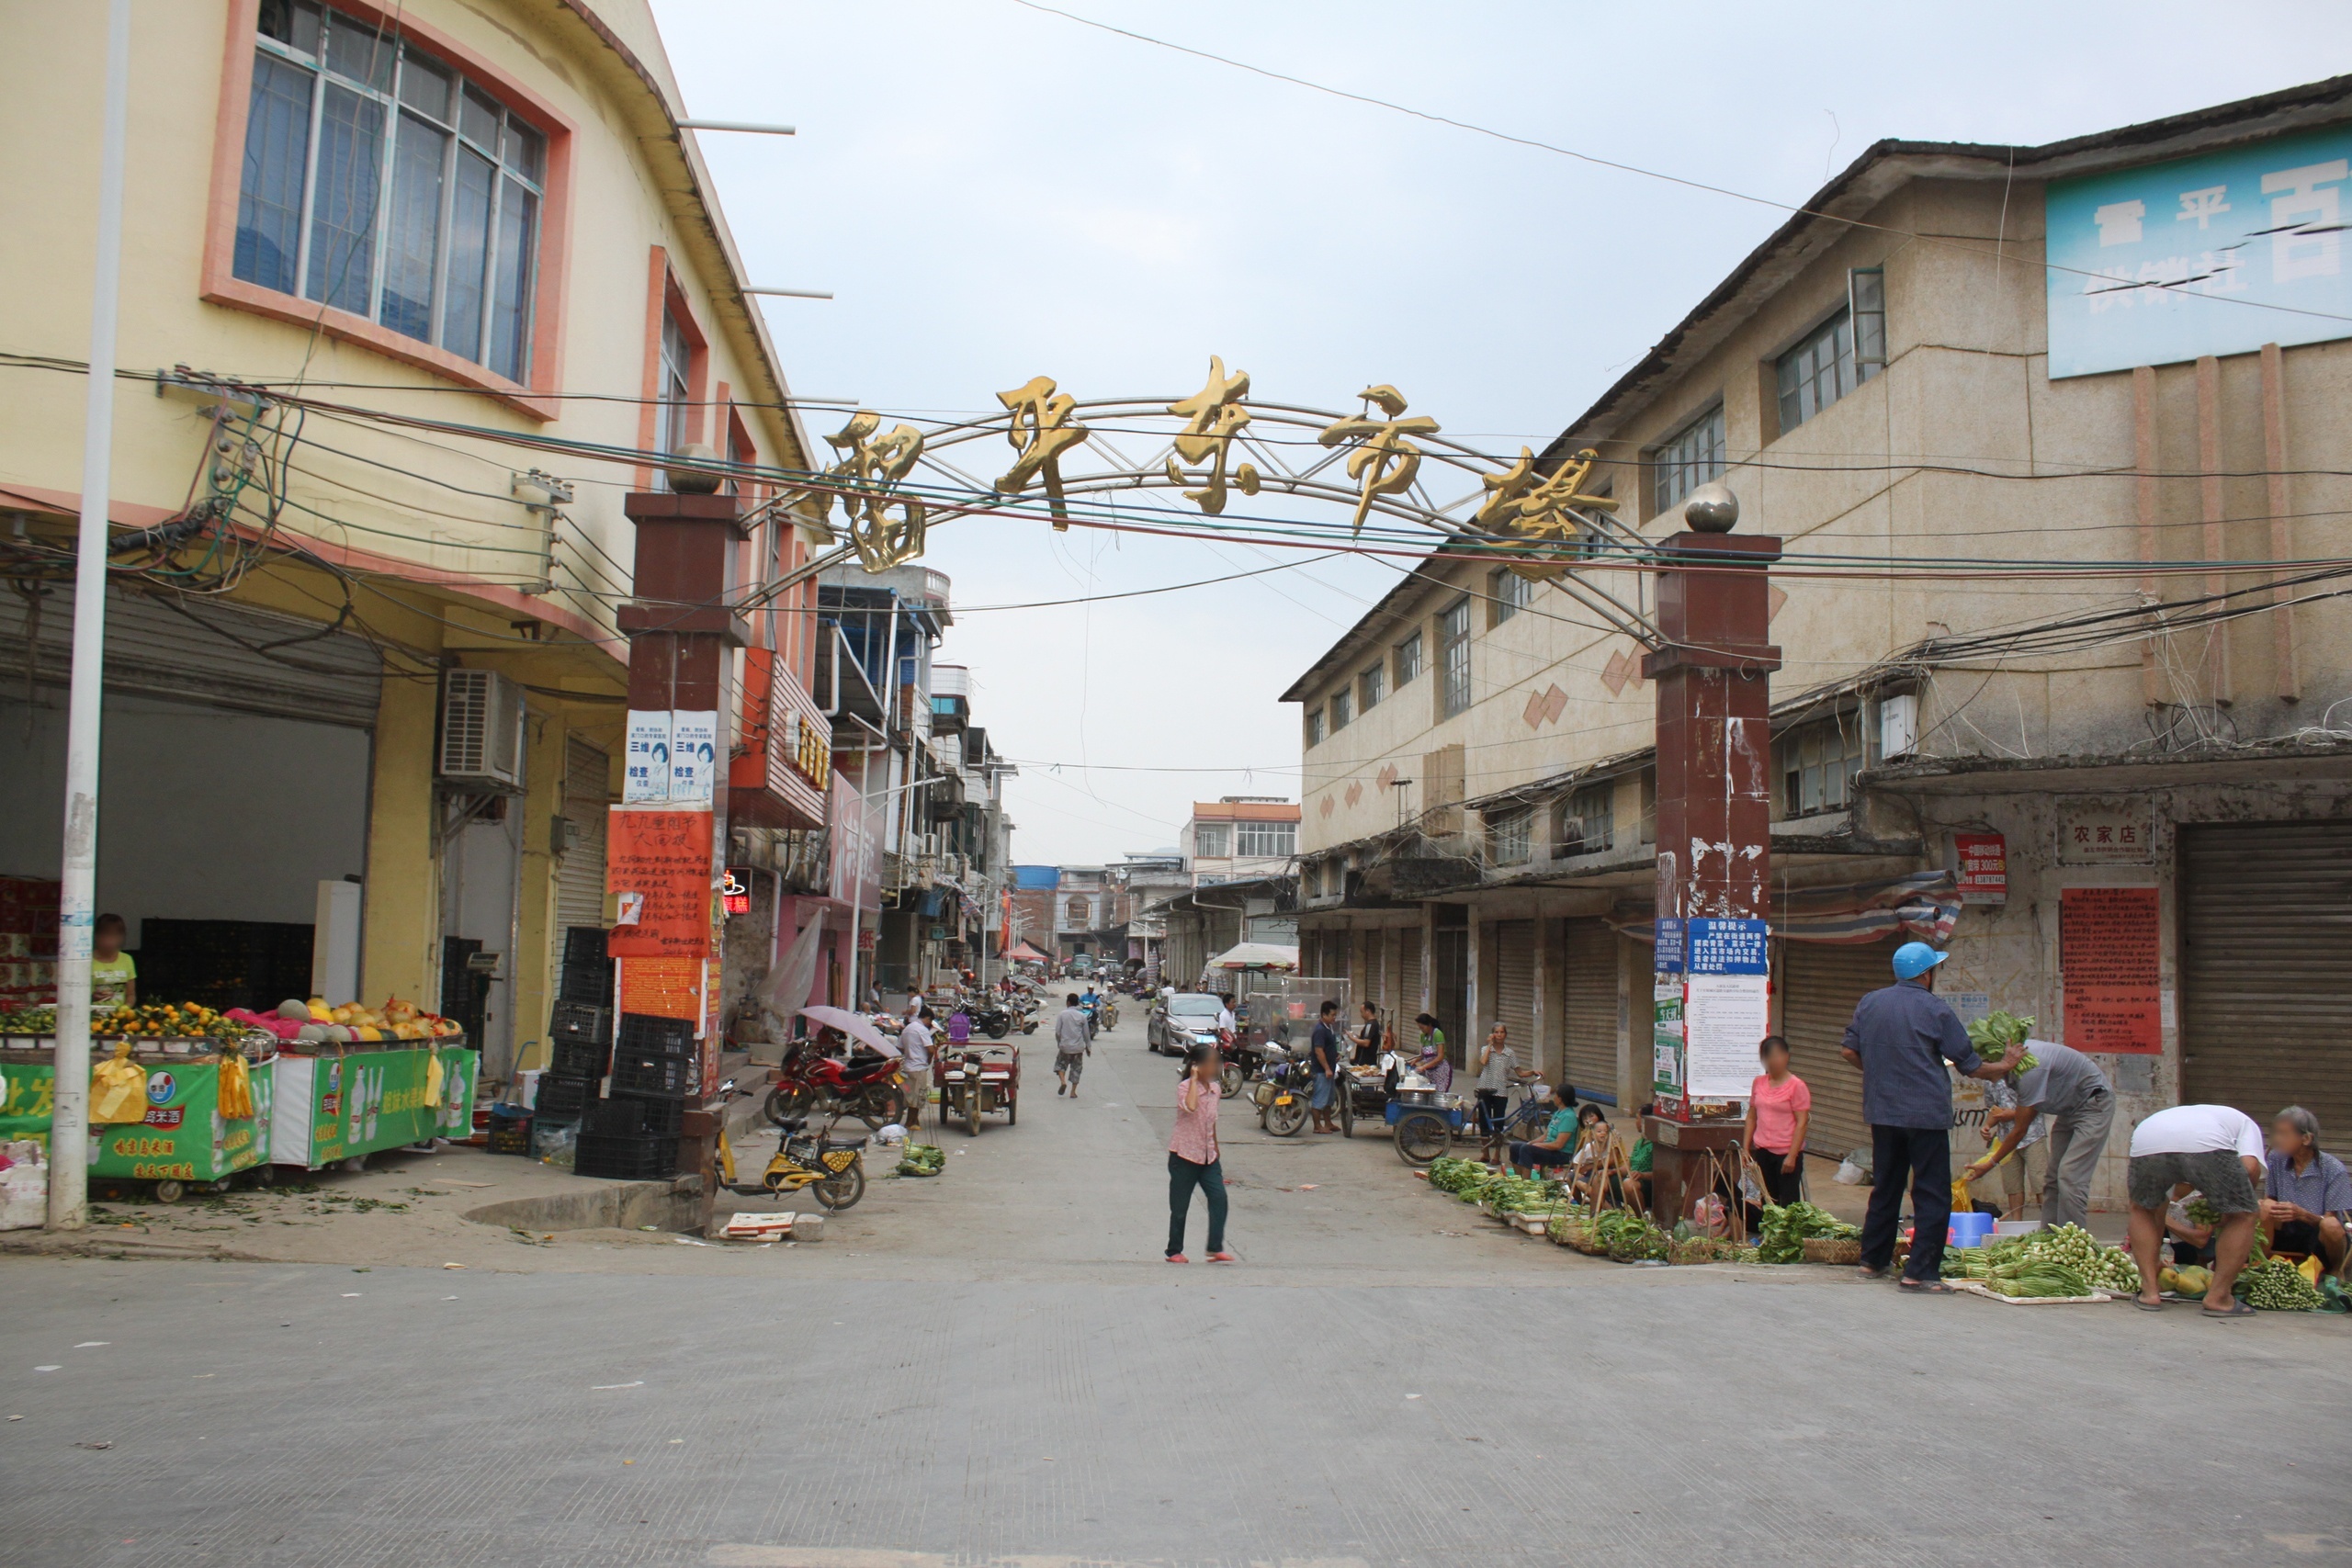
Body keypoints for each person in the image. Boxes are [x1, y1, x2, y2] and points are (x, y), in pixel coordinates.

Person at [1839, 941, 2021, 1293]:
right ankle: (1919, 1272)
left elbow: (1849, 1050)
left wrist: (1879, 1074)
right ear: (1926, 974)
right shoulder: (1935, 1009)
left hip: (1883, 1112)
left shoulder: (1870, 1002)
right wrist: (2005, 1065)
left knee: (1886, 1186)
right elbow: (1971, 1066)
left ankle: (1871, 1261)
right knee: (1931, 1193)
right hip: (1925, 1114)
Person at [2125, 1102, 2267, 1316]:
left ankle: (2149, 1292)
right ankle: (2218, 1297)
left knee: (2143, 1208)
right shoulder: (2247, 1124)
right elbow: (2250, 1167)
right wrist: (2235, 1209)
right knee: (2244, 1215)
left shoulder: (2188, 1114)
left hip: (2148, 1136)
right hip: (2207, 1142)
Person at [1962, 1037, 2113, 1230]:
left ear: (1995, 1061)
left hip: (2093, 1104)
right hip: (2068, 1109)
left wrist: (1990, 1163)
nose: (1977, 1076)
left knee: (2070, 1175)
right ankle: (2049, 1235)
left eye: (1980, 1069)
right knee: (2052, 1178)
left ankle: (2073, 1239)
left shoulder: (2029, 1070)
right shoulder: (2013, 1069)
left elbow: (2020, 1129)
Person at [2262, 1106, 2350, 1271]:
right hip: (2284, 1229)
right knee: (2265, 1206)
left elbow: (2330, 1219)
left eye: (2284, 1134)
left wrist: (2301, 1214)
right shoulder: (2276, 1158)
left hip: (2316, 1233)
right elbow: (2270, 1199)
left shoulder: (2333, 1168)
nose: (2277, 1139)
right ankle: (2260, 1264)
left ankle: (2335, 1272)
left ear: (2306, 1139)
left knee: (2331, 1225)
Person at [1168, 1042, 1233, 1263]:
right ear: (1197, 1065)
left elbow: (1211, 1122)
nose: (1215, 1068)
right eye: (1211, 1063)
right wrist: (1194, 1079)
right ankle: (1174, 1251)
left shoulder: (1216, 1090)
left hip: (1208, 1156)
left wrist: (1216, 1148)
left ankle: (1214, 1247)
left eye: (1216, 1063)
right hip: (1184, 1156)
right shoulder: (1185, 1087)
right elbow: (1191, 1106)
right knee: (1180, 1207)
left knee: (1219, 1198)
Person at [1743, 1034, 1811, 1206]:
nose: (1773, 1061)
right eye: (1768, 1057)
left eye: (1777, 1056)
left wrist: (1792, 1156)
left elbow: (1802, 1123)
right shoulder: (1759, 1082)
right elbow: (1752, 1116)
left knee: (1788, 1203)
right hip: (1763, 1151)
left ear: (1787, 1056)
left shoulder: (1797, 1086)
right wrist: (1746, 1148)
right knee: (1768, 1200)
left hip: (1786, 1153)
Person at [1973, 1074, 2049, 1220]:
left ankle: (2048, 1222)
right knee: (2012, 1185)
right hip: (2006, 1139)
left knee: (2040, 1183)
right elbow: (1993, 1109)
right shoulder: (1990, 1080)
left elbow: (2036, 1106)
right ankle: (2016, 1222)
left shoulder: (2023, 1074)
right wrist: (1987, 1126)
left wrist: (2013, 1114)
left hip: (2032, 1134)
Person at [1474, 1021, 1532, 1161]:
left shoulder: (1509, 1053)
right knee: (1484, 1122)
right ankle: (1485, 1153)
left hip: (1500, 1091)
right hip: (1485, 1089)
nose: (1499, 1035)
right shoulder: (1486, 1049)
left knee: (1499, 1123)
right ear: (1492, 1034)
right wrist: (1489, 1045)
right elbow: (1483, 1062)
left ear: (1506, 1035)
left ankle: (1497, 1154)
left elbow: (1520, 1072)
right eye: (1496, 1032)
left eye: (1502, 1032)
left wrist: (1533, 1072)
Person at [1510, 1084, 1582, 1177]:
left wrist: (1539, 1145)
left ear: (1560, 1099)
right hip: (1550, 1149)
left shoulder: (1568, 1117)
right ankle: (1518, 1179)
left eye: (1555, 1095)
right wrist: (1531, 1143)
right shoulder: (1558, 1113)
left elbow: (1558, 1145)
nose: (1553, 1097)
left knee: (1526, 1150)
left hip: (1561, 1154)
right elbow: (1545, 1136)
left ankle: (1526, 1182)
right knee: (1514, 1147)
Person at [1308, 999, 1343, 1134]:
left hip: (1330, 1070)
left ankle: (1328, 1123)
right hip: (1321, 1071)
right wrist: (1327, 1068)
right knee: (1320, 1098)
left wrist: (1335, 1055)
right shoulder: (1320, 1030)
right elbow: (1319, 1051)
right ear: (1324, 1014)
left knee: (1329, 1099)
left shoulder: (1329, 1028)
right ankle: (1317, 1126)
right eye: (1332, 1015)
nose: (1334, 1018)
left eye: (1335, 1015)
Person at [898, 1007, 934, 1132]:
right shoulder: (922, 1030)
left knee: (911, 1095)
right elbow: (930, 1049)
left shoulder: (907, 1028)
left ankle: (914, 1121)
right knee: (918, 1096)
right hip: (918, 1066)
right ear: (927, 1018)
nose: (929, 1024)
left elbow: (900, 1047)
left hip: (908, 1066)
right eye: (930, 1021)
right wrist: (929, 1060)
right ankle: (909, 1122)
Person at [89, 913, 136, 1009]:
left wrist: (126, 1009)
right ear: (96, 936)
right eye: (106, 934)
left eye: (116, 935)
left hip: (119, 1015)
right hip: (93, 1014)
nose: (111, 939)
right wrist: (92, 998)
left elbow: (131, 995)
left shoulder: (127, 959)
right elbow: (77, 996)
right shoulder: (86, 961)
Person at [1053, 992, 1091, 1097]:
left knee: (1060, 1065)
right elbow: (1086, 1034)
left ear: (1068, 1003)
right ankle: (1073, 1092)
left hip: (1065, 1046)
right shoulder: (1082, 1016)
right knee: (1076, 1069)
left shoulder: (1062, 1014)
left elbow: (1058, 1032)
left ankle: (1063, 1082)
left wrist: (1059, 1042)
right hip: (1078, 1048)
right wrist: (1088, 1047)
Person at [1411, 1013, 1452, 1093]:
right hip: (1430, 1072)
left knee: (1439, 1094)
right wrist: (1415, 1060)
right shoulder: (1423, 1036)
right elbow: (1423, 1055)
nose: (1422, 1030)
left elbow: (1440, 1057)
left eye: (1423, 1027)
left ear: (1429, 1025)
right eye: (1420, 1028)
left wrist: (1424, 1066)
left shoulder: (1438, 1034)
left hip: (1440, 1070)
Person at [1350, 1000, 1383, 1066]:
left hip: (1366, 1061)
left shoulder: (1371, 1025)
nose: (1361, 1015)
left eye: (1362, 1012)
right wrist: (1355, 1036)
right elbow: (1365, 1037)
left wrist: (1351, 1038)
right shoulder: (1372, 1024)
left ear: (1368, 1011)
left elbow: (1366, 1043)